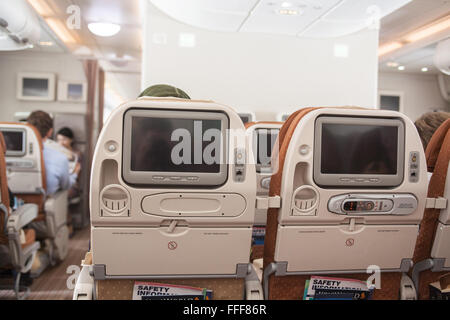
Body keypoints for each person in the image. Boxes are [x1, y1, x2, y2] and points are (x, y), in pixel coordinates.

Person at [27, 111, 79, 195]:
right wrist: (75, 174)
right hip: (46, 203)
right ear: (50, 132)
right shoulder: (60, 158)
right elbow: (65, 185)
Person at [56, 127, 82, 200]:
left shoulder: (76, 155)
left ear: (71, 140)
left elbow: (76, 172)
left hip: (71, 184)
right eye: (59, 140)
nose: (61, 143)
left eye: (64, 139)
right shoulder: (55, 153)